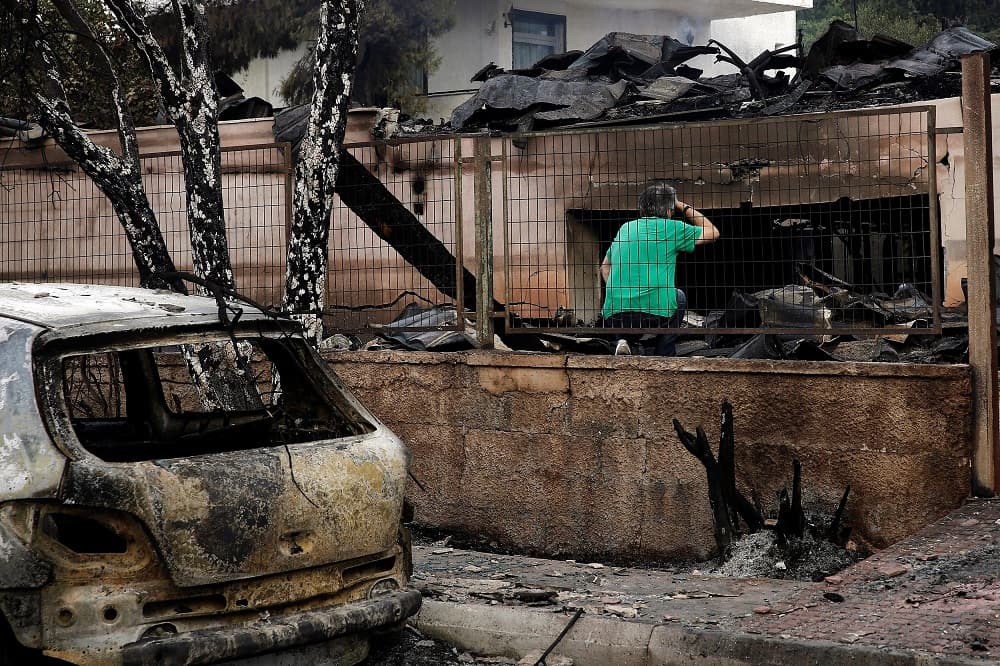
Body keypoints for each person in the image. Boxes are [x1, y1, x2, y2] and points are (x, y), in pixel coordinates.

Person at [600, 182, 720, 356]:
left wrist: (618, 289)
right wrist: (682, 206)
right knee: (679, 297)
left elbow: (604, 268)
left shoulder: (625, 228)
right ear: (669, 210)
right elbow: (713, 232)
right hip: (652, 313)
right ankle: (663, 353)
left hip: (615, 315)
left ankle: (621, 340)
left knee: (626, 307)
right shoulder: (671, 227)